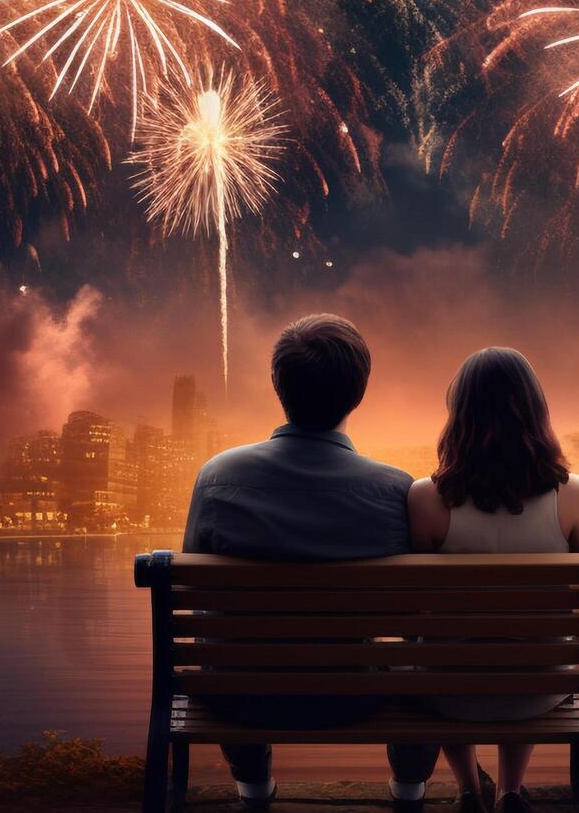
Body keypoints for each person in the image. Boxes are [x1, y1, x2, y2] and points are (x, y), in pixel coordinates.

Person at [181, 314, 445, 811]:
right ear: (359, 392)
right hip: (355, 695)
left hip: (238, 695)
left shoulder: (217, 477)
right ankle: (409, 787)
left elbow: (198, 603)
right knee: (421, 652)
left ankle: (253, 787)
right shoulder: (394, 490)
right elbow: (417, 615)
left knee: (225, 642)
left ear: (278, 385)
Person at [406, 347, 579, 813]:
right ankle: (511, 792)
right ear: (536, 412)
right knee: (527, 646)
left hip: (447, 694)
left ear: (458, 416)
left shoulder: (425, 499)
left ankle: (470, 790)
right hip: (539, 690)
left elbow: (418, 615)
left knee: (442, 654)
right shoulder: (573, 495)